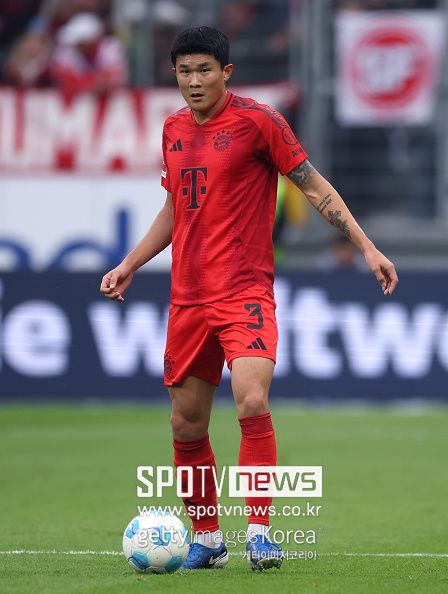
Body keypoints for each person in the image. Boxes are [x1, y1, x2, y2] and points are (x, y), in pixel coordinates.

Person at [100, 26, 398, 571]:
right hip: (188, 298)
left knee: (252, 401)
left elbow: (313, 186)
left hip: (245, 291)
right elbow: (174, 209)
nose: (194, 81)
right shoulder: (172, 129)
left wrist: (367, 247)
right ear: (175, 74)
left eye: (204, 70)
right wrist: (130, 263)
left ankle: (259, 533)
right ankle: (209, 539)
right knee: (186, 425)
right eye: (185, 71)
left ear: (226, 72)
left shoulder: (260, 122)